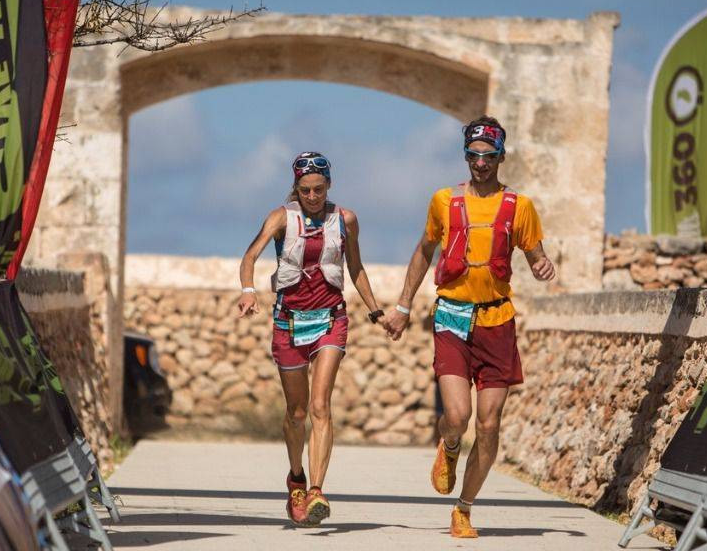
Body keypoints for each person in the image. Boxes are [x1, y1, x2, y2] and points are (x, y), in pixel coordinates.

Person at [384, 116, 556, 538]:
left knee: (490, 423)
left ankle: (464, 508)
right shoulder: (444, 201)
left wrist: (541, 264)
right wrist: (404, 306)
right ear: (466, 155)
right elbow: (424, 252)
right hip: (452, 316)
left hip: (497, 320)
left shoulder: (519, 207)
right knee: (457, 416)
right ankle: (450, 446)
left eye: (489, 156)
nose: (480, 163)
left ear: (501, 156)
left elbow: (536, 255)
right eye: (474, 155)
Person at [238, 151, 388, 527]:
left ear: (329, 185)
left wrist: (375, 310)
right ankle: (297, 479)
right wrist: (247, 290)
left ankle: (318, 491)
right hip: (288, 323)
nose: (313, 196)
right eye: (305, 190)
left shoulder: (345, 219)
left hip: (330, 320)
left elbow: (355, 267)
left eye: (319, 189)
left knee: (321, 406)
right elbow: (250, 256)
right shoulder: (280, 218)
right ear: (296, 187)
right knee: (297, 413)